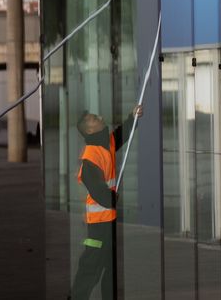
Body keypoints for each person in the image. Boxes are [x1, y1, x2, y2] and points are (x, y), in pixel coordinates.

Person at [70, 104, 142, 300]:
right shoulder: (90, 156)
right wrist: (113, 198)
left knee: (110, 269)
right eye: (94, 118)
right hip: (99, 223)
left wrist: (132, 118)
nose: (100, 116)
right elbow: (96, 188)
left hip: (108, 219)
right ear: (90, 129)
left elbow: (121, 135)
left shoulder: (105, 143)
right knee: (90, 267)